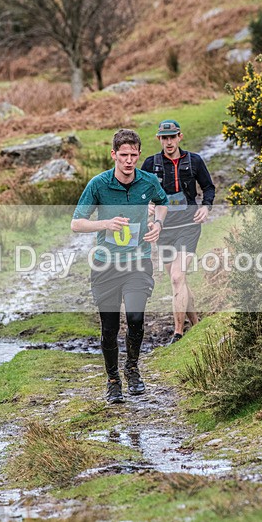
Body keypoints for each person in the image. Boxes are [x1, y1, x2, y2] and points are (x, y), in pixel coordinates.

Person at [71, 129, 169, 404]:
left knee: (136, 318)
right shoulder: (98, 184)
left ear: (139, 155)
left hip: (138, 262)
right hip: (105, 266)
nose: (128, 161)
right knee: (110, 328)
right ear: (113, 154)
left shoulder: (148, 181)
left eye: (133, 155)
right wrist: (105, 224)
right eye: (123, 155)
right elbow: (77, 223)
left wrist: (158, 224)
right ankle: (113, 380)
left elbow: (163, 203)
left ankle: (133, 369)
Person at [141, 119, 216, 345]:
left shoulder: (194, 161)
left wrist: (206, 206)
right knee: (179, 281)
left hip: (189, 226)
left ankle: (178, 334)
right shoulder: (150, 164)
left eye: (172, 137)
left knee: (176, 277)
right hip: (163, 229)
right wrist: (147, 205)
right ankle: (197, 325)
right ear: (159, 139)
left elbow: (209, 187)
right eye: (165, 138)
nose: (169, 142)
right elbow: (139, 192)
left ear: (179, 137)